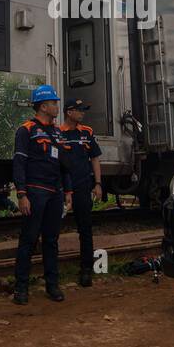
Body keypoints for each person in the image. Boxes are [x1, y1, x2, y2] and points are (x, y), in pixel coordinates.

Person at [12, 85, 73, 304]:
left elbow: (63, 164)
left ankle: (52, 285)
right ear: (44, 106)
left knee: (51, 240)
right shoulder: (26, 130)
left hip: (55, 193)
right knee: (28, 240)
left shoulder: (58, 132)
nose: (58, 106)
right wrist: (21, 194)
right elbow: (19, 163)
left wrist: (68, 191)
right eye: (54, 103)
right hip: (35, 193)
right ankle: (21, 289)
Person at [60, 98, 104, 287]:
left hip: (83, 188)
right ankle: (52, 272)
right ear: (69, 112)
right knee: (51, 230)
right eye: (79, 110)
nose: (82, 113)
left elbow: (95, 159)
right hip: (61, 190)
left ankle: (86, 270)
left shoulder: (87, 132)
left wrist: (98, 183)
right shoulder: (57, 133)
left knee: (85, 229)